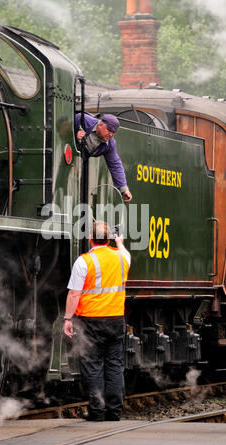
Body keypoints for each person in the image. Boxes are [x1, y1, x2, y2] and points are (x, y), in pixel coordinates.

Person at [63, 221, 131, 421]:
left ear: (90, 239)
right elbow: (125, 252)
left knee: (92, 366)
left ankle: (97, 412)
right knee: (115, 365)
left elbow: (74, 294)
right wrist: (120, 243)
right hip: (116, 319)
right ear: (109, 239)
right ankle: (115, 412)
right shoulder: (122, 258)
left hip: (91, 321)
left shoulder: (84, 261)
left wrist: (68, 318)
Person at [75, 113, 132, 202]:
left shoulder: (110, 144)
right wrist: (74, 133)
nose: (111, 135)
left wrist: (124, 189)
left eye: (114, 133)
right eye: (109, 130)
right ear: (100, 124)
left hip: (79, 165)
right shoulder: (83, 120)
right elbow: (62, 127)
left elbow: (115, 165)